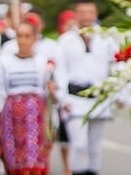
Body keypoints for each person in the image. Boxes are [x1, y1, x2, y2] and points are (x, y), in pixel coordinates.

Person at [0, 22, 65, 175]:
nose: (22, 40)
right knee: (15, 159)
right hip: (13, 118)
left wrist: (53, 91)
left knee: (34, 157)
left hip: (36, 118)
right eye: (19, 36)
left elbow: (55, 88)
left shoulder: (43, 62)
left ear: (35, 39)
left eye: (27, 36)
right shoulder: (5, 62)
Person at [58, 0, 116, 175]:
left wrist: (115, 95)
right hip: (75, 99)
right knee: (79, 145)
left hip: (99, 98)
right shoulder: (66, 40)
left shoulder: (107, 38)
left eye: (90, 12)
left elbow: (115, 67)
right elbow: (61, 71)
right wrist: (62, 98)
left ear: (95, 14)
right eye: (82, 12)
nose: (86, 16)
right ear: (76, 14)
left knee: (94, 147)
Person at [56, 10, 77, 175]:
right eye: (68, 24)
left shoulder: (78, 42)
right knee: (64, 137)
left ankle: (74, 166)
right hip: (63, 95)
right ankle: (67, 167)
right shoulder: (61, 44)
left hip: (76, 96)